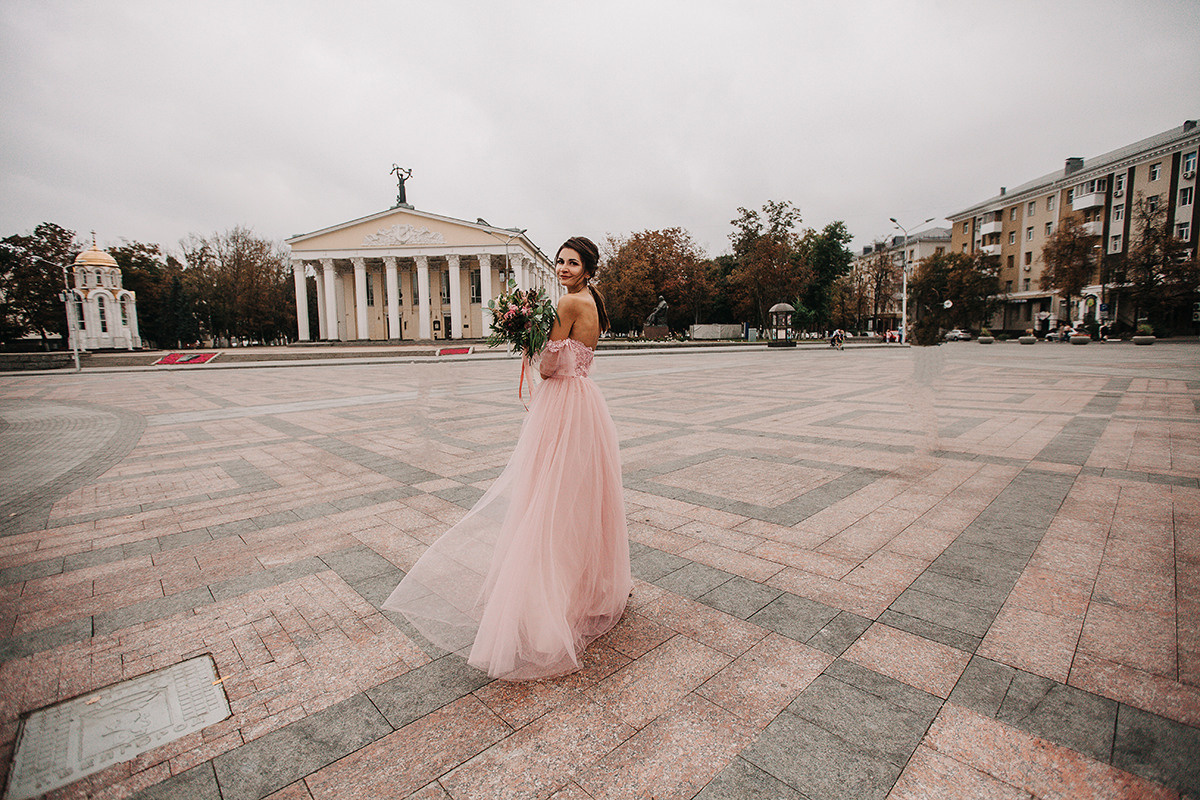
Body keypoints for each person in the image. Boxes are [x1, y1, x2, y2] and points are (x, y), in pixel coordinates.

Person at [382, 236, 631, 681]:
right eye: (560, 261)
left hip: (561, 402)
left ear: (588, 270)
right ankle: (589, 588)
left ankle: (548, 605)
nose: (563, 268)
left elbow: (549, 366)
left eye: (572, 263)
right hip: (587, 401)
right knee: (580, 497)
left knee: (546, 498)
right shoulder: (594, 301)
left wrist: (529, 344)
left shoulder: (570, 303)